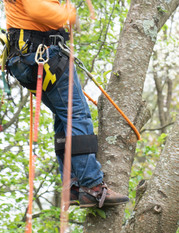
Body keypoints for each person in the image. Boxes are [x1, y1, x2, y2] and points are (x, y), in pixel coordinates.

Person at [3, 0, 129, 208]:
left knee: (64, 117)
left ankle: (71, 186)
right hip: (40, 55)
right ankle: (92, 187)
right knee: (76, 115)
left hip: (27, 58)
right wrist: (67, 13)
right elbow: (37, 9)